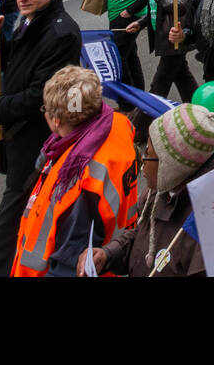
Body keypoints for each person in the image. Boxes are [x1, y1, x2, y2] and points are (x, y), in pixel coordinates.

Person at [0, 0, 82, 277]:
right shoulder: (31, 20)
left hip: (38, 141)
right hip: (21, 138)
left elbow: (41, 95)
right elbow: (15, 64)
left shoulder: (61, 32)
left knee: (5, 231)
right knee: (33, 216)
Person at [10, 67, 137, 277]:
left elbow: (69, 263)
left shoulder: (77, 179)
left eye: (45, 110)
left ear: (56, 120)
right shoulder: (116, 126)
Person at [84, 103, 214, 277]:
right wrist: (108, 254)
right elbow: (143, 232)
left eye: (148, 155)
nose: (143, 161)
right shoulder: (162, 188)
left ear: (171, 167)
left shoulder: (205, 232)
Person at [145, 0, 196, 104]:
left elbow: (180, 7)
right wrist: (140, 23)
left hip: (173, 38)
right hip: (168, 39)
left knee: (158, 87)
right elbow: (157, 10)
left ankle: (140, 126)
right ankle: (200, 111)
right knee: (184, 81)